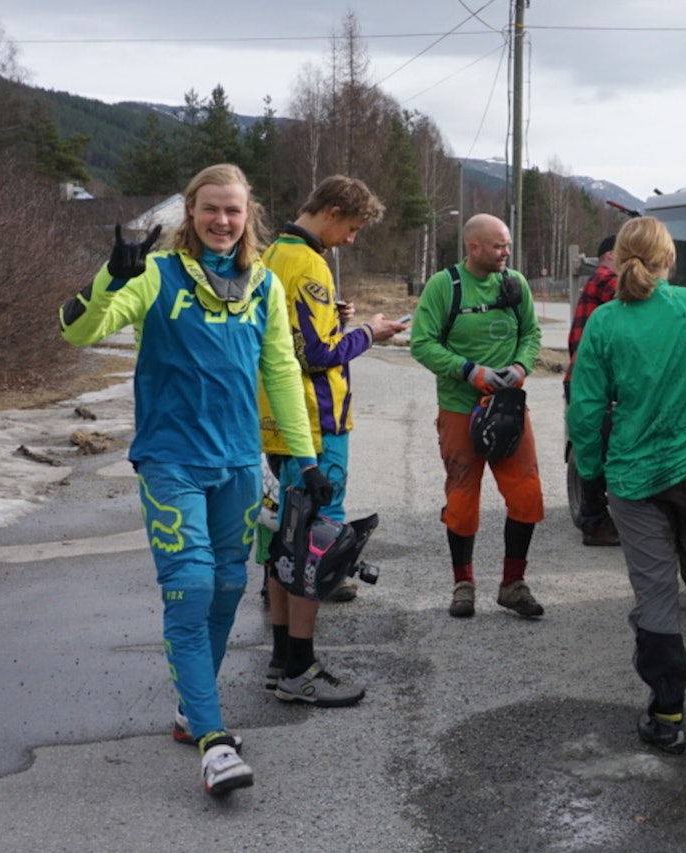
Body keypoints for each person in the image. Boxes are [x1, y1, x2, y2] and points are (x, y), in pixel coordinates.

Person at [59, 163, 333, 796]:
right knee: (189, 584)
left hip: (239, 463)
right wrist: (111, 277)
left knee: (228, 585)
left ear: (248, 216)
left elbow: (282, 371)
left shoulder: (263, 285)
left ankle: (190, 710)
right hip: (171, 461)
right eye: (210, 209)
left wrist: (305, 456)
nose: (222, 221)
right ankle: (214, 740)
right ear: (190, 211)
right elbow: (79, 328)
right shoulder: (156, 275)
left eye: (233, 211)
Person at [566, 216, 686, 755]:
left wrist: (590, 474)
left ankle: (667, 713)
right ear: (669, 259)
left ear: (620, 258)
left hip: (635, 479)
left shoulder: (606, 322)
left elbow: (585, 409)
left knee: (654, 596)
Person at [256, 175, 408, 707]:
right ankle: (301, 666)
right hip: (316, 426)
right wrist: (369, 332)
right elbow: (318, 355)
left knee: (282, 540)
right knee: (313, 542)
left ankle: (280, 660)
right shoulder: (310, 264)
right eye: (353, 226)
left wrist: (338, 323)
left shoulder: (272, 253)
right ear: (335, 210)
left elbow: (290, 335)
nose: (352, 238)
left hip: (274, 422)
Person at [409, 213, 545, 620]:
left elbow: (532, 335)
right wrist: (470, 371)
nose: (506, 252)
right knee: (463, 498)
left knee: (527, 494)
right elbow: (421, 343)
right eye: (499, 246)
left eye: (507, 245)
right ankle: (463, 585)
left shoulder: (515, 284)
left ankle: (513, 584)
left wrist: (521, 367)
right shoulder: (444, 286)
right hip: (459, 407)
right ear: (474, 247)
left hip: (509, 407)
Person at [565, 234, 620, 547]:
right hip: (590, 382)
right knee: (595, 452)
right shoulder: (604, 278)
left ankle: (596, 520)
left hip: (587, 380)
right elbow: (637, 297)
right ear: (611, 255)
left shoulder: (596, 282)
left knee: (592, 450)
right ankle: (595, 523)